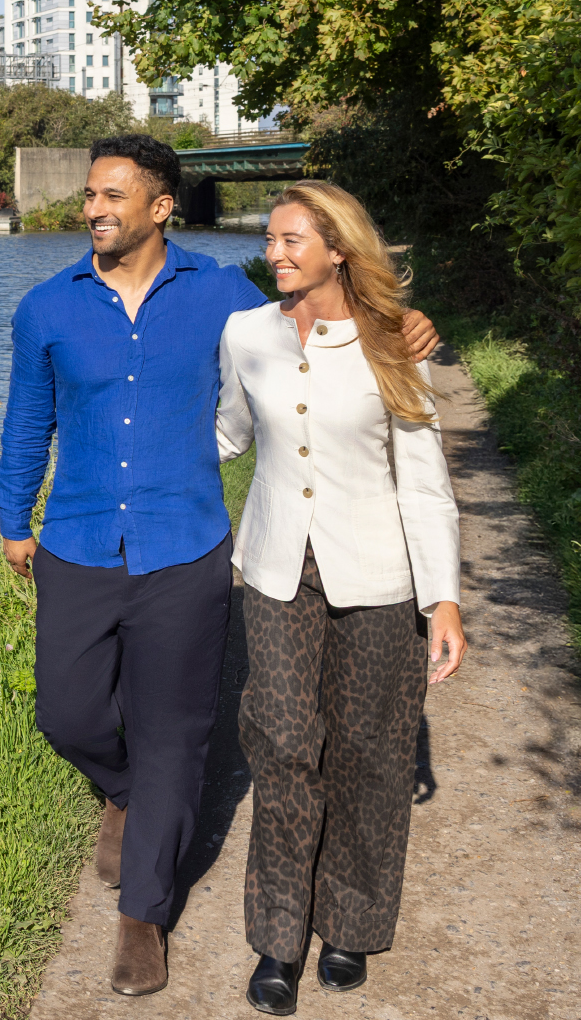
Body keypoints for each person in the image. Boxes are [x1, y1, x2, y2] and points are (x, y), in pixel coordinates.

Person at [0, 136, 435, 997]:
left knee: (175, 735)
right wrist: (15, 522)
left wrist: (406, 325)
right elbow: (25, 425)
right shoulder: (45, 308)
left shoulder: (223, 301)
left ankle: (143, 918)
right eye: (90, 194)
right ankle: (121, 794)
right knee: (68, 715)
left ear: (161, 207)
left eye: (111, 196)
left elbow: (320, 316)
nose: (92, 209)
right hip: (78, 542)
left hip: (188, 549)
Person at [215, 180, 464, 1016]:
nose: (274, 254)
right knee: (283, 741)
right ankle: (278, 941)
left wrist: (445, 601)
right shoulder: (245, 333)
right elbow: (228, 435)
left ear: (338, 250)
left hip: (378, 574)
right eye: (270, 239)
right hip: (278, 566)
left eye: (290, 240)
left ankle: (351, 923)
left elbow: (425, 484)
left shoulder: (396, 341)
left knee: (369, 751)